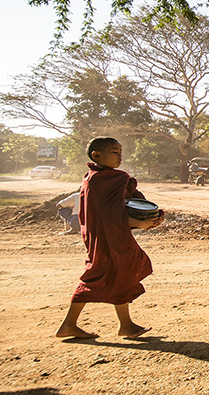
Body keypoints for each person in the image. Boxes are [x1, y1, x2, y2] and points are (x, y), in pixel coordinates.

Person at [55, 137, 164, 339]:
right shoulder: (96, 180)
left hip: (114, 234)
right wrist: (139, 223)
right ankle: (68, 324)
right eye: (115, 152)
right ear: (97, 155)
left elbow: (133, 199)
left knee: (122, 271)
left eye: (121, 152)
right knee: (96, 274)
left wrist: (154, 215)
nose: (120, 157)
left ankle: (126, 325)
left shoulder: (114, 178)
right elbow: (109, 213)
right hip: (105, 236)